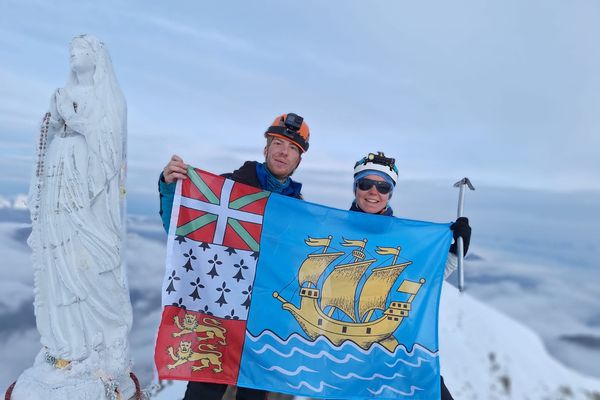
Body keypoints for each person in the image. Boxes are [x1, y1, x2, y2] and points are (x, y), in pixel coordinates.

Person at [158, 112, 310, 400]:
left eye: (293, 148)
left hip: (265, 319)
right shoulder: (226, 190)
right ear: (266, 148)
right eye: (278, 143)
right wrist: (169, 188)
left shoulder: (298, 210)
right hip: (220, 307)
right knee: (203, 392)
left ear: (299, 160)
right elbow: (179, 230)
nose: (283, 152)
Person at [27, 34, 132, 377]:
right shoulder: (63, 93)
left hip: (85, 183)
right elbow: (50, 133)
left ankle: (99, 340)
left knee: (84, 258)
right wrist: (55, 120)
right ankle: (64, 341)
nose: (74, 54)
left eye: (81, 50)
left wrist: (74, 120)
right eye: (70, 50)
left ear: (96, 57)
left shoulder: (110, 98)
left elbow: (109, 146)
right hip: (59, 175)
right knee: (58, 258)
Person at [350, 151, 472, 400]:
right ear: (355, 188)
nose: (374, 192)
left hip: (400, 347)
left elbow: (426, 279)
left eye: (383, 187)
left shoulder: (405, 240)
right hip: (346, 354)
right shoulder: (334, 230)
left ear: (390, 193)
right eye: (366, 184)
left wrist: (454, 253)